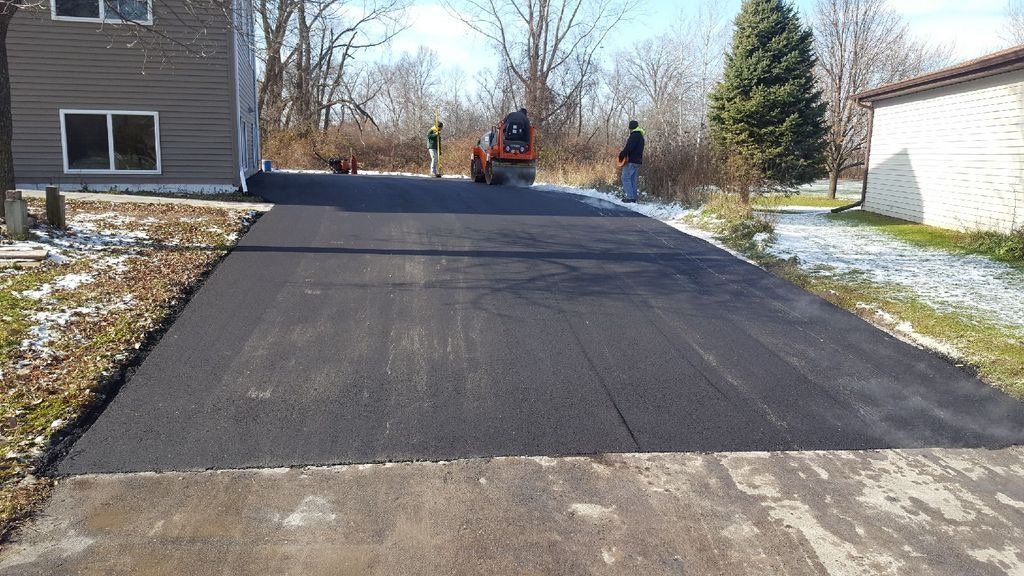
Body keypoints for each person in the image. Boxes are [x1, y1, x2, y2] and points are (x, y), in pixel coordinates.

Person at [617, 120, 645, 203]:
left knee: (625, 178)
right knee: (632, 179)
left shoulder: (634, 135)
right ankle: (633, 197)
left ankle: (630, 197)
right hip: (638, 161)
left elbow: (629, 147)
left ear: (630, 128)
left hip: (631, 161)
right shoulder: (641, 136)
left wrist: (621, 155)